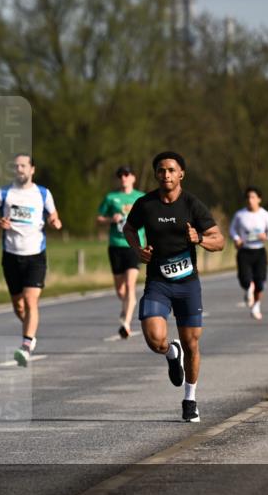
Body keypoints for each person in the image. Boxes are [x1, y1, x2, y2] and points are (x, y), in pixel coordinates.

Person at [123, 151, 224, 423]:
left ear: (181, 174)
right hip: (158, 282)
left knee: (192, 343)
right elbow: (128, 229)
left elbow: (220, 241)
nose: (165, 175)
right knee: (155, 339)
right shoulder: (145, 204)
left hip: (187, 285)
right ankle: (170, 352)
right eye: (161, 170)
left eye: (171, 170)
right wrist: (137, 250)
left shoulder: (192, 204)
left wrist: (199, 237)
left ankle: (190, 400)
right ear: (156, 174)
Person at [0, 154, 63, 367]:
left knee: (30, 302)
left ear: (32, 169)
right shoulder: (4, 192)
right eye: (16, 166)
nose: (19, 169)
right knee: (19, 307)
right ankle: (31, 332)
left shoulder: (43, 193)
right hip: (11, 254)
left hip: (35, 254)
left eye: (23, 165)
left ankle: (26, 345)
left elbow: (55, 216)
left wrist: (54, 222)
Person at [96, 165, 145, 338]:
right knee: (120, 289)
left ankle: (126, 323)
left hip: (133, 245)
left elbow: (150, 218)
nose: (123, 178)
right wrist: (111, 219)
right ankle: (126, 307)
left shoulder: (141, 197)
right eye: (120, 175)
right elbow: (99, 217)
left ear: (133, 177)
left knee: (131, 285)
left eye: (126, 174)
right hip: (115, 245)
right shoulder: (111, 197)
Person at [228, 187, 268, 320]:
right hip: (244, 251)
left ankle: (256, 305)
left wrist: (266, 235)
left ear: (259, 199)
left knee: (260, 282)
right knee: (245, 279)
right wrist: (236, 239)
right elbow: (232, 230)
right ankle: (248, 289)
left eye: (253, 197)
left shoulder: (265, 215)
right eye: (248, 197)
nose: (250, 200)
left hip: (259, 251)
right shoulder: (240, 215)